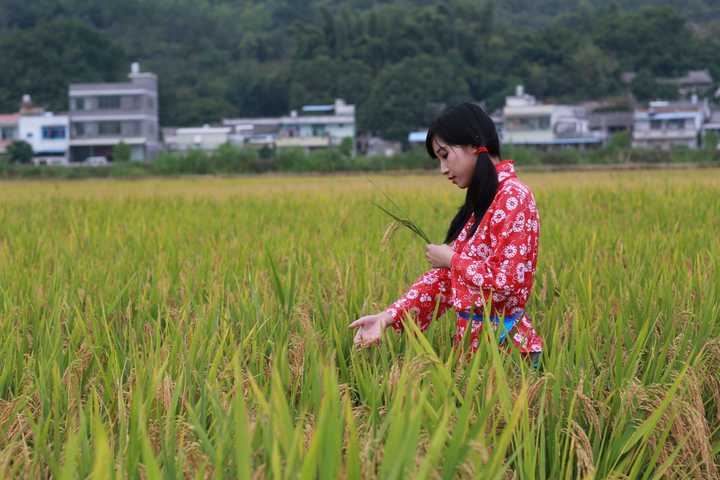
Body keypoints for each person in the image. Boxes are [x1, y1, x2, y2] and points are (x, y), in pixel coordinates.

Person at [349, 102, 543, 366]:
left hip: (508, 352)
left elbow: (508, 284)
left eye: (445, 155)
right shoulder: (483, 202)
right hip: (472, 353)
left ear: (474, 144)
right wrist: (387, 317)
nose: (442, 169)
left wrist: (452, 260)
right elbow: (444, 282)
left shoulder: (514, 197)